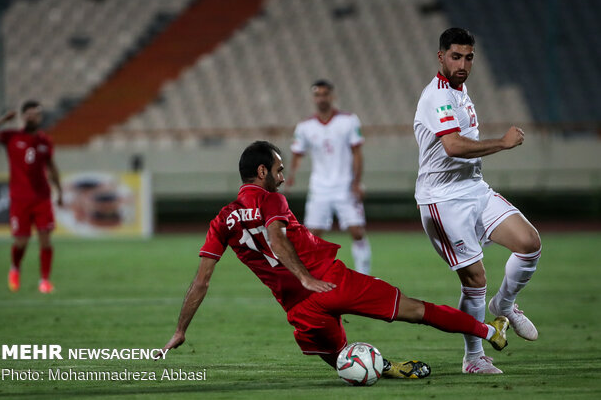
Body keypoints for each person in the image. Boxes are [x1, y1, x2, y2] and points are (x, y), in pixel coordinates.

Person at [158, 141, 510, 378]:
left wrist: (180, 329)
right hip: (330, 280)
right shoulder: (271, 201)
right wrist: (306, 276)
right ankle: (487, 330)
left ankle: (384, 368)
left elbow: (201, 281)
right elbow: (276, 238)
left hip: (298, 308)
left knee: (339, 356)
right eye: (279, 169)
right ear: (262, 172)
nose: (283, 176)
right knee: (416, 311)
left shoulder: (222, 220)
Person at [412, 28, 542, 374]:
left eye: (469, 57)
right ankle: (473, 358)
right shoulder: (436, 96)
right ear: (441, 57)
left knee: (529, 244)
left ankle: (505, 303)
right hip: (443, 200)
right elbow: (453, 146)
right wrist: (502, 142)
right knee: (474, 280)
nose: (463, 63)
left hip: (474, 189)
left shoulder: (460, 90)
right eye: (456, 56)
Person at [286, 80, 371, 274]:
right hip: (320, 187)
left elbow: (357, 152)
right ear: (313, 98)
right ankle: (314, 276)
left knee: (357, 231)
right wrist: (290, 176)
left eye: (325, 94)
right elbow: (297, 153)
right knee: (313, 235)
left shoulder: (349, 120)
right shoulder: (305, 126)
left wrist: (357, 183)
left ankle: (364, 276)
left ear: (332, 97)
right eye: (317, 95)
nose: (321, 98)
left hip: (345, 185)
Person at [0, 101, 63, 293]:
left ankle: (44, 280)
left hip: (42, 197)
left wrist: (59, 191)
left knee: (45, 239)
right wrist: (2, 120)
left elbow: (51, 167)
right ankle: (15, 268)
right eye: (29, 114)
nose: (32, 117)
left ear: (40, 117)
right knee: (21, 241)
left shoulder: (45, 141)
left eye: (36, 114)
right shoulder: (11, 137)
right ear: (22, 116)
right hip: (20, 198)